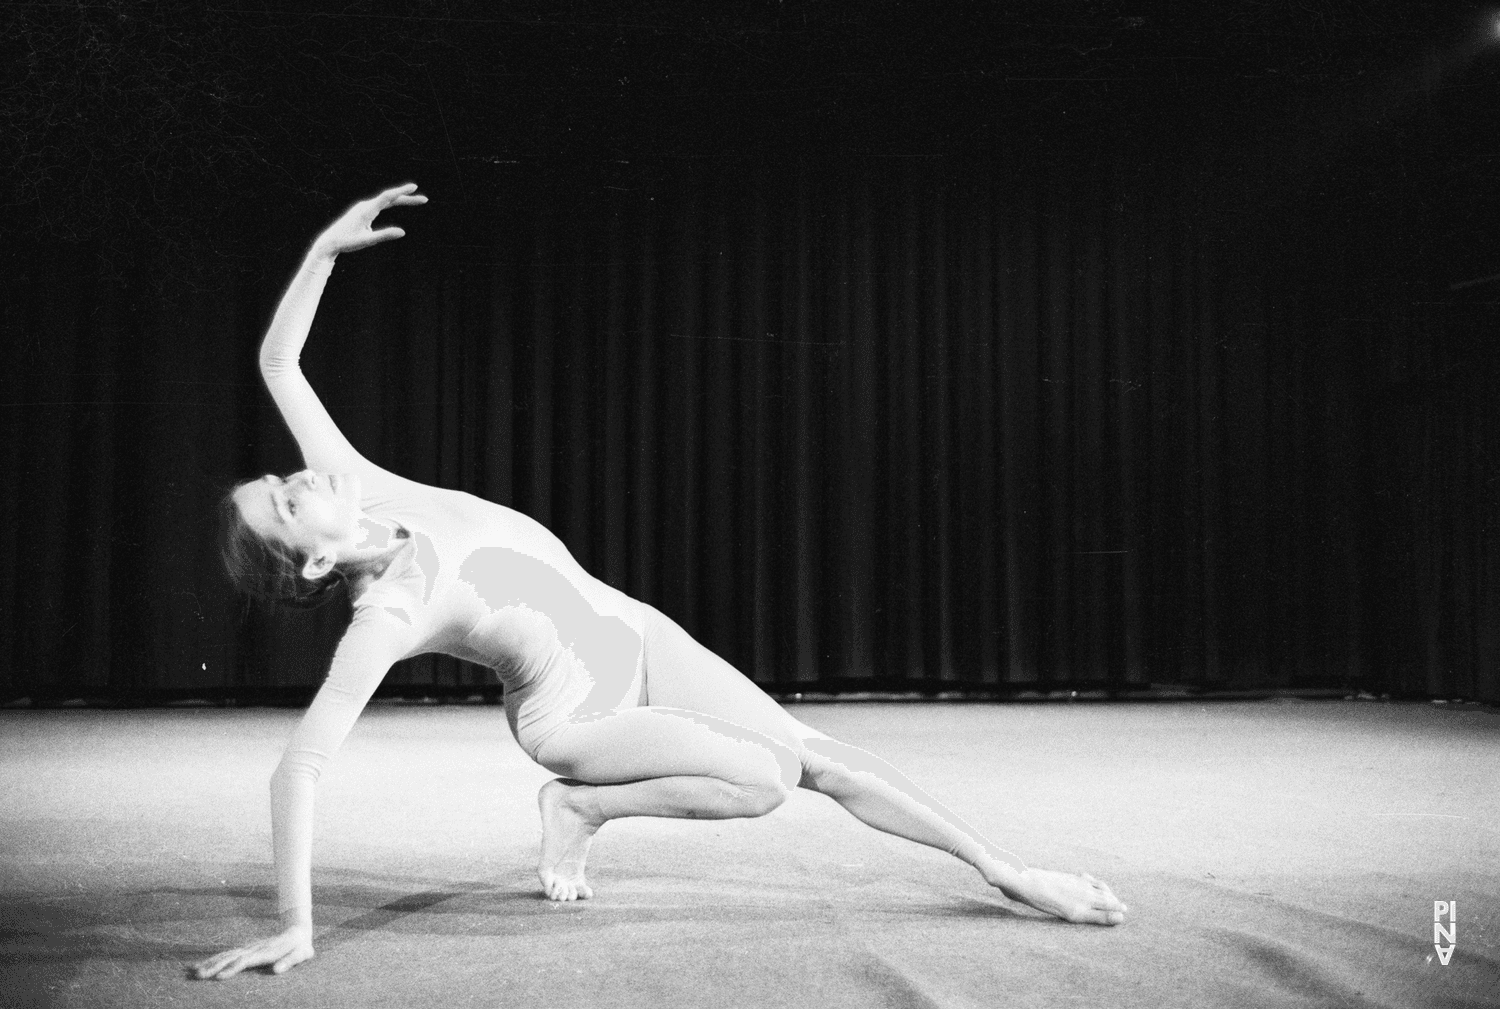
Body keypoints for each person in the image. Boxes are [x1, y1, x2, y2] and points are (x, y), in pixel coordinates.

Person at [191, 184, 1128, 981]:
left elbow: (278, 361)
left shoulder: (364, 481)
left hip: (637, 632)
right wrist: (295, 924)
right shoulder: (387, 610)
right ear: (315, 558)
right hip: (576, 718)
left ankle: (1011, 874)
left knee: (822, 757)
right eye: (282, 501)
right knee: (765, 781)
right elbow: (300, 766)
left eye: (278, 477)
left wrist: (322, 249)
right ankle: (580, 802)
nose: (295, 478)